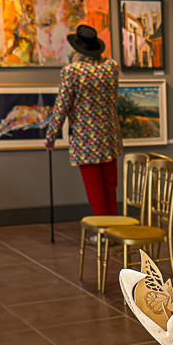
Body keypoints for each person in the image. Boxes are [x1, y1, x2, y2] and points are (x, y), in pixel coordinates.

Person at [44, 24, 122, 216]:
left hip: (86, 140)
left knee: (95, 189)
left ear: (78, 48)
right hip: (110, 137)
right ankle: (115, 226)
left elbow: (62, 106)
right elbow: (113, 100)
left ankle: (103, 229)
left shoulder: (72, 71)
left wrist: (51, 136)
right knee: (110, 187)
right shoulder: (111, 67)